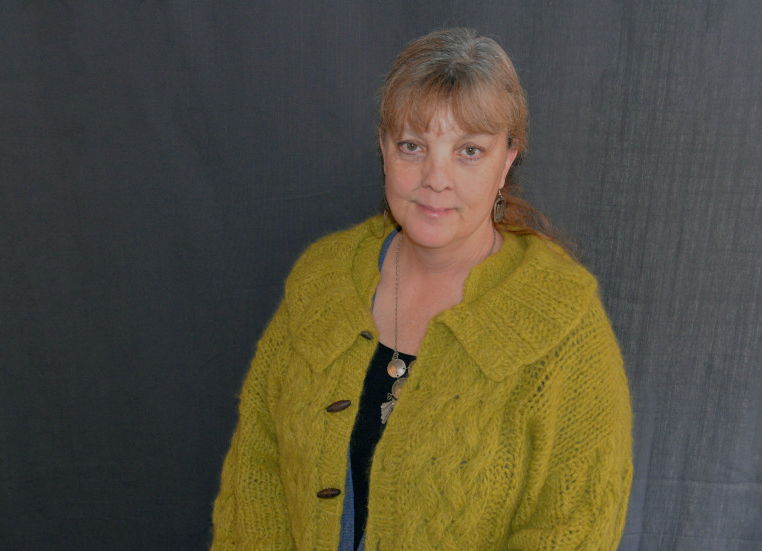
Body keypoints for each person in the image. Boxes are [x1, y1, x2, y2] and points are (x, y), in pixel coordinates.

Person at [210, 27, 632, 550]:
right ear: (383, 148)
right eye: (413, 146)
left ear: (507, 160)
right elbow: (257, 466)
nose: (436, 177)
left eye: (469, 151)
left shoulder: (563, 325)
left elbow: (575, 526)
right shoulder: (323, 281)